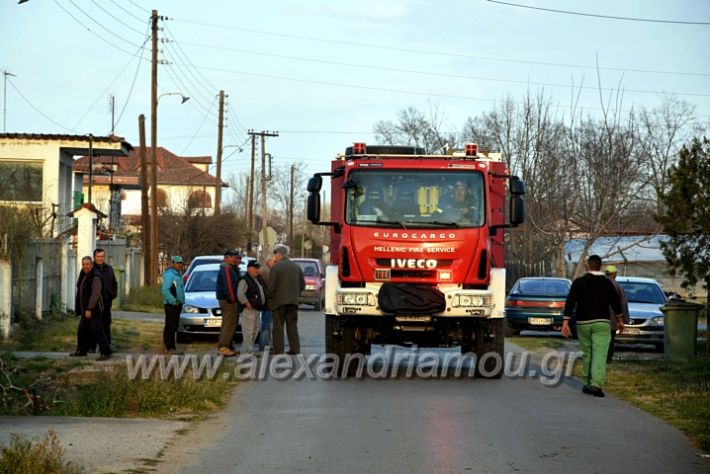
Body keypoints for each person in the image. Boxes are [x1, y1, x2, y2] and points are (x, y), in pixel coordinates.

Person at [561, 255, 623, 397]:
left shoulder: (578, 282)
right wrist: (620, 320)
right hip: (602, 323)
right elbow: (616, 303)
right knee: (600, 354)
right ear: (600, 267)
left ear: (588, 266)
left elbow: (570, 302)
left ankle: (588, 383)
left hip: (583, 323)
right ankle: (596, 384)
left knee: (588, 353)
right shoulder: (608, 284)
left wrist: (565, 322)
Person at [70, 256, 112, 360]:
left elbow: (96, 294)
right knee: (82, 330)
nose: (85, 266)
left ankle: (106, 352)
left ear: (92, 265)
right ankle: (82, 350)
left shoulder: (95, 277)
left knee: (97, 330)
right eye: (83, 264)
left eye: (87, 264)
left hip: (94, 310)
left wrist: (89, 308)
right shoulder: (85, 275)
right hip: (86, 310)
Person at [267, 244, 305, 355]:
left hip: (279, 303)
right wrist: (296, 295)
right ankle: (295, 349)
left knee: (278, 327)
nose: (275, 257)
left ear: (279, 255)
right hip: (293, 302)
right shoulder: (296, 267)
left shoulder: (276, 268)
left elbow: (271, 287)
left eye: (275, 255)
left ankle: (279, 350)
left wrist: (270, 298)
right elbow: (302, 284)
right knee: (292, 326)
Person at [88, 248, 117, 352]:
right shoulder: (91, 269)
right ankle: (91, 347)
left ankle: (106, 347)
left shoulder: (109, 269)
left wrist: (113, 295)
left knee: (106, 325)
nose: (100, 259)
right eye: (98, 257)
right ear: (94, 257)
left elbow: (114, 283)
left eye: (102, 256)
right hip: (95, 303)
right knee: (93, 326)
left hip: (106, 302)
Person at [237, 260, 267, 355]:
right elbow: (240, 293)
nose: (257, 270)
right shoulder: (244, 280)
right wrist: (246, 303)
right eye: (255, 268)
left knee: (254, 331)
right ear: (249, 268)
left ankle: (248, 351)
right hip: (249, 310)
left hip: (257, 309)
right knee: (248, 332)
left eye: (258, 268)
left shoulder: (256, 279)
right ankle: (246, 352)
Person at [216, 249, 241, 357]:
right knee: (228, 324)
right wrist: (233, 299)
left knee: (232, 324)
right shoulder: (226, 269)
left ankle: (229, 345)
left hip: (230, 300)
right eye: (232, 257)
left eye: (235, 257)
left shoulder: (231, 268)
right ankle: (224, 347)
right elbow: (229, 286)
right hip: (228, 301)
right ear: (226, 257)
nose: (234, 259)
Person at [161, 255, 185, 353]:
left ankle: (172, 346)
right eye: (177, 263)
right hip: (171, 305)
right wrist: (173, 301)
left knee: (174, 326)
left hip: (177, 304)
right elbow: (165, 290)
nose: (179, 265)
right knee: (170, 326)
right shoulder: (170, 275)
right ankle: (168, 347)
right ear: (172, 263)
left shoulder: (177, 274)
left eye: (181, 263)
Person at [605, 265, 630, 363]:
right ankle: (608, 359)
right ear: (614, 274)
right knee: (610, 340)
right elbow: (623, 304)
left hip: (597, 319)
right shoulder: (618, 287)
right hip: (612, 320)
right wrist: (624, 320)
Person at [258, 254, 276, 352]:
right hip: (267, 302)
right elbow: (270, 287)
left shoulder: (267, 270)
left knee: (267, 323)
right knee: (266, 324)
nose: (275, 263)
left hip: (267, 301)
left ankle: (265, 344)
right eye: (274, 261)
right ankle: (264, 345)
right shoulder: (267, 271)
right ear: (268, 261)